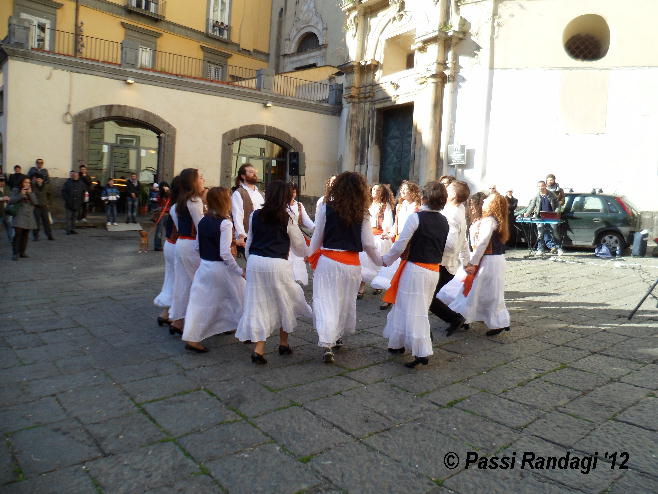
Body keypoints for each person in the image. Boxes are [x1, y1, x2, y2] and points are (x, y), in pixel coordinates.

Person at [308, 171, 383, 363]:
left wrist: (310, 257)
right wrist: (381, 261)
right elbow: (368, 243)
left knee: (326, 301)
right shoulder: (363, 212)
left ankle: (327, 343)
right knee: (344, 302)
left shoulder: (326, 207)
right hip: (351, 264)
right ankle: (337, 336)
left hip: (328, 261)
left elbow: (317, 236)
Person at [236, 180, 311, 364]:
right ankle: (283, 343)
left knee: (258, 303)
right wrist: (309, 254)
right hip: (277, 262)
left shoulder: (255, 214)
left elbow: (249, 242)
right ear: (285, 196)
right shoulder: (289, 217)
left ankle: (259, 349)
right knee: (285, 301)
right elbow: (300, 247)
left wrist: (249, 263)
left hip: (255, 261)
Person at [381, 181, 450, 368]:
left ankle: (421, 352)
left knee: (414, 310)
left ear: (424, 197)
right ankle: (397, 343)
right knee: (409, 306)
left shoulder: (416, 218)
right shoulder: (444, 221)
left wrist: (385, 260)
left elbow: (400, 245)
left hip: (415, 269)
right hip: (433, 270)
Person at [438, 193, 511, 337]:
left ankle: (496, 321)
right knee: (481, 291)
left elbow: (483, 243)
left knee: (482, 291)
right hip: (493, 260)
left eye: (487, 201)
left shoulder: (489, 220)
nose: (483, 202)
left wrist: (473, 262)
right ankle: (466, 317)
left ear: (493, 205)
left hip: (488, 260)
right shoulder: (495, 220)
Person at [183, 187, 246, 353]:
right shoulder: (225, 223)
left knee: (202, 302)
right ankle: (245, 330)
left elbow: (197, 246)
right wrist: (239, 271)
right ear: (224, 201)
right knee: (239, 296)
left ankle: (195, 335)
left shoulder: (203, 221)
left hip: (205, 266)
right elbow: (225, 253)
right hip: (220, 268)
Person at [429, 180, 470, 334]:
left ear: (452, 195)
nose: (444, 190)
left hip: (443, 263)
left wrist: (432, 247)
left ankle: (455, 318)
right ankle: (455, 318)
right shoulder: (458, 209)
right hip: (448, 263)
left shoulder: (451, 214)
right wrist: (466, 261)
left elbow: (451, 244)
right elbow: (463, 240)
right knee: (428, 297)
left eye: (448, 189)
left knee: (427, 298)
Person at [371, 180, 421, 307]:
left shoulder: (417, 207)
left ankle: (398, 298)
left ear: (413, 191)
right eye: (402, 189)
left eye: (406, 189)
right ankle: (390, 298)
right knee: (392, 271)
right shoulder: (400, 205)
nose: (403, 191)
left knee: (403, 271)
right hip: (399, 240)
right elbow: (397, 224)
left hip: (410, 243)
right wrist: (390, 233)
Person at [168, 169, 204, 335]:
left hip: (180, 243)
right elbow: (200, 228)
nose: (203, 179)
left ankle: (178, 320)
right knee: (198, 285)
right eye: (200, 177)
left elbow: (177, 224)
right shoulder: (195, 201)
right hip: (192, 245)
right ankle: (195, 325)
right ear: (193, 182)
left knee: (182, 284)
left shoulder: (177, 204)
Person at [359, 184, 394, 298]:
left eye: (379, 190)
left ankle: (377, 284)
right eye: (374, 189)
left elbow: (388, 222)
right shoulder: (366, 204)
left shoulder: (385, 206)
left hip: (379, 236)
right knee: (363, 261)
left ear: (382, 193)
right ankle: (361, 285)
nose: (376, 191)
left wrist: (386, 231)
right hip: (367, 234)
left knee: (377, 260)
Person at [153, 178, 180, 328]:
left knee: (171, 278)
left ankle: (166, 312)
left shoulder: (174, 203)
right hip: (176, 245)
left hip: (170, 244)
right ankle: (174, 315)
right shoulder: (180, 205)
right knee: (177, 281)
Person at [522, 180, 562, 255]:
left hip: (551, 217)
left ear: (545, 186)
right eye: (539, 186)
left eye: (542, 186)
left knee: (554, 232)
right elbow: (532, 206)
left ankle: (559, 248)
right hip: (539, 217)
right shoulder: (536, 196)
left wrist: (556, 212)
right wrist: (527, 213)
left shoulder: (551, 194)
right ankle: (540, 249)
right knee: (540, 233)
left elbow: (557, 205)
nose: (541, 188)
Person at [231, 164, 264, 249]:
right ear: (243, 176)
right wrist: (241, 235)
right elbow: (237, 215)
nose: (254, 174)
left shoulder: (260, 193)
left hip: (261, 233)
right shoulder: (239, 193)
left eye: (254, 172)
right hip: (247, 235)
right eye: (251, 172)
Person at [288, 182, 315, 285]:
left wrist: (314, 228)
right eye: (290, 192)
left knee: (298, 257)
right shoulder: (281, 205)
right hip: (285, 236)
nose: (292, 194)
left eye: (294, 192)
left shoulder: (299, 205)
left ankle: (297, 280)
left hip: (297, 235)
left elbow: (306, 219)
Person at [9, 177, 38, 260]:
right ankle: (15, 253)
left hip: (28, 216)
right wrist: (21, 194)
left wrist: (30, 193)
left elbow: (36, 202)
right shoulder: (16, 190)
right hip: (19, 215)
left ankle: (22, 252)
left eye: (28, 182)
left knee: (25, 235)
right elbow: (11, 200)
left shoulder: (31, 190)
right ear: (21, 183)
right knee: (17, 235)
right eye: (25, 182)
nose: (27, 184)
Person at [61, 170, 85, 235]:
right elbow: (63, 192)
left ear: (78, 176)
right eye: (74, 175)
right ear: (72, 176)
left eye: (76, 175)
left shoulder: (81, 183)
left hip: (77, 203)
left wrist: (81, 201)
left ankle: (72, 229)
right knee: (68, 217)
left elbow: (83, 193)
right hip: (69, 203)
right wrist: (67, 200)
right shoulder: (67, 183)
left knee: (74, 218)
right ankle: (68, 230)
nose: (75, 176)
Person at [31, 173, 54, 241]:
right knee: (36, 222)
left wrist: (48, 203)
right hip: (36, 207)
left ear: (42, 180)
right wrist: (33, 203)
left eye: (40, 179)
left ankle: (49, 235)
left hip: (44, 206)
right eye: (37, 179)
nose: (38, 180)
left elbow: (50, 195)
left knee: (46, 222)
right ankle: (36, 236)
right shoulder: (33, 186)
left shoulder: (47, 186)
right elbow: (31, 195)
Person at [153, 181, 171, 251]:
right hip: (162, 213)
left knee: (168, 230)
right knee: (159, 231)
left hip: (168, 213)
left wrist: (168, 192)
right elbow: (158, 201)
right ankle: (157, 246)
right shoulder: (160, 195)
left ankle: (169, 245)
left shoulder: (170, 194)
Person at [0, 175, 13, 243]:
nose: (2, 183)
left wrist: (9, 198)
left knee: (9, 226)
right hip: (0, 212)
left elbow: (11, 196)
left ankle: (11, 239)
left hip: (7, 211)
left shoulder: (7, 188)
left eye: (3, 181)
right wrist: (2, 198)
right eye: (0, 181)